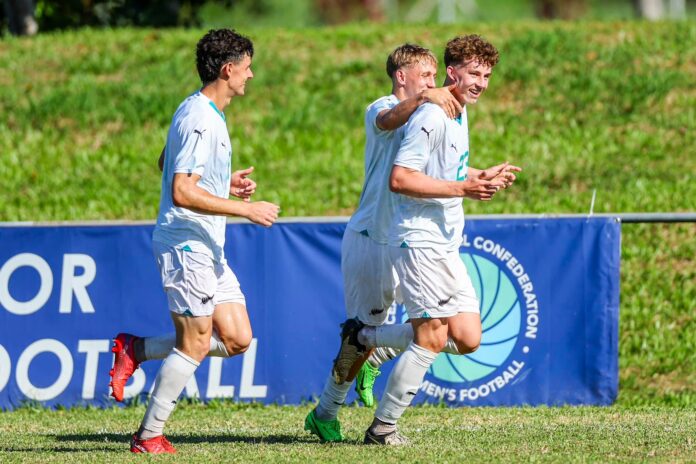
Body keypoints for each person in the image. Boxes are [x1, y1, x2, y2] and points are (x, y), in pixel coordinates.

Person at [338, 34, 520, 445]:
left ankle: (368, 341)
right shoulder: (426, 113)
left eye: (488, 75)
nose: (482, 82)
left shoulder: (458, 113)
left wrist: (479, 177)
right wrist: (464, 191)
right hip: (415, 239)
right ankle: (382, 428)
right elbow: (401, 178)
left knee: (468, 338)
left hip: (444, 241)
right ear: (452, 73)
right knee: (433, 335)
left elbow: (451, 172)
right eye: (474, 73)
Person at [111, 28, 280, 454]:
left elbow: (165, 163)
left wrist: (225, 181)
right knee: (197, 342)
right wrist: (246, 208)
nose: (251, 75)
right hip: (185, 245)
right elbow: (181, 190)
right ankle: (148, 436)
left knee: (238, 338)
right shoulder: (201, 117)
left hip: (208, 245)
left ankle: (136, 348)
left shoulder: (199, 111)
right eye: (246, 68)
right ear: (228, 70)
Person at [303, 43, 464, 443]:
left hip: (406, 238)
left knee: (439, 330)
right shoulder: (381, 107)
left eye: (433, 76)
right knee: (360, 334)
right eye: (424, 76)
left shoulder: (431, 115)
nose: (432, 82)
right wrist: (429, 96)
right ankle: (326, 412)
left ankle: (379, 352)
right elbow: (389, 119)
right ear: (401, 77)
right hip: (370, 239)